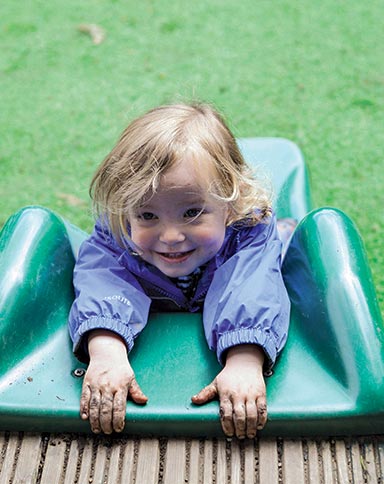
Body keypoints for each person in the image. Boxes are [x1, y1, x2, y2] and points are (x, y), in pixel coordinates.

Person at [68, 102, 290, 440]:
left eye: (192, 212)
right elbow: (102, 281)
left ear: (230, 202)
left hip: (247, 249)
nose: (171, 236)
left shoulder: (249, 232)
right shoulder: (118, 237)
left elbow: (254, 288)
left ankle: (287, 229)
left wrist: (245, 360)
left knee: (276, 245)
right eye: (147, 216)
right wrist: (107, 352)